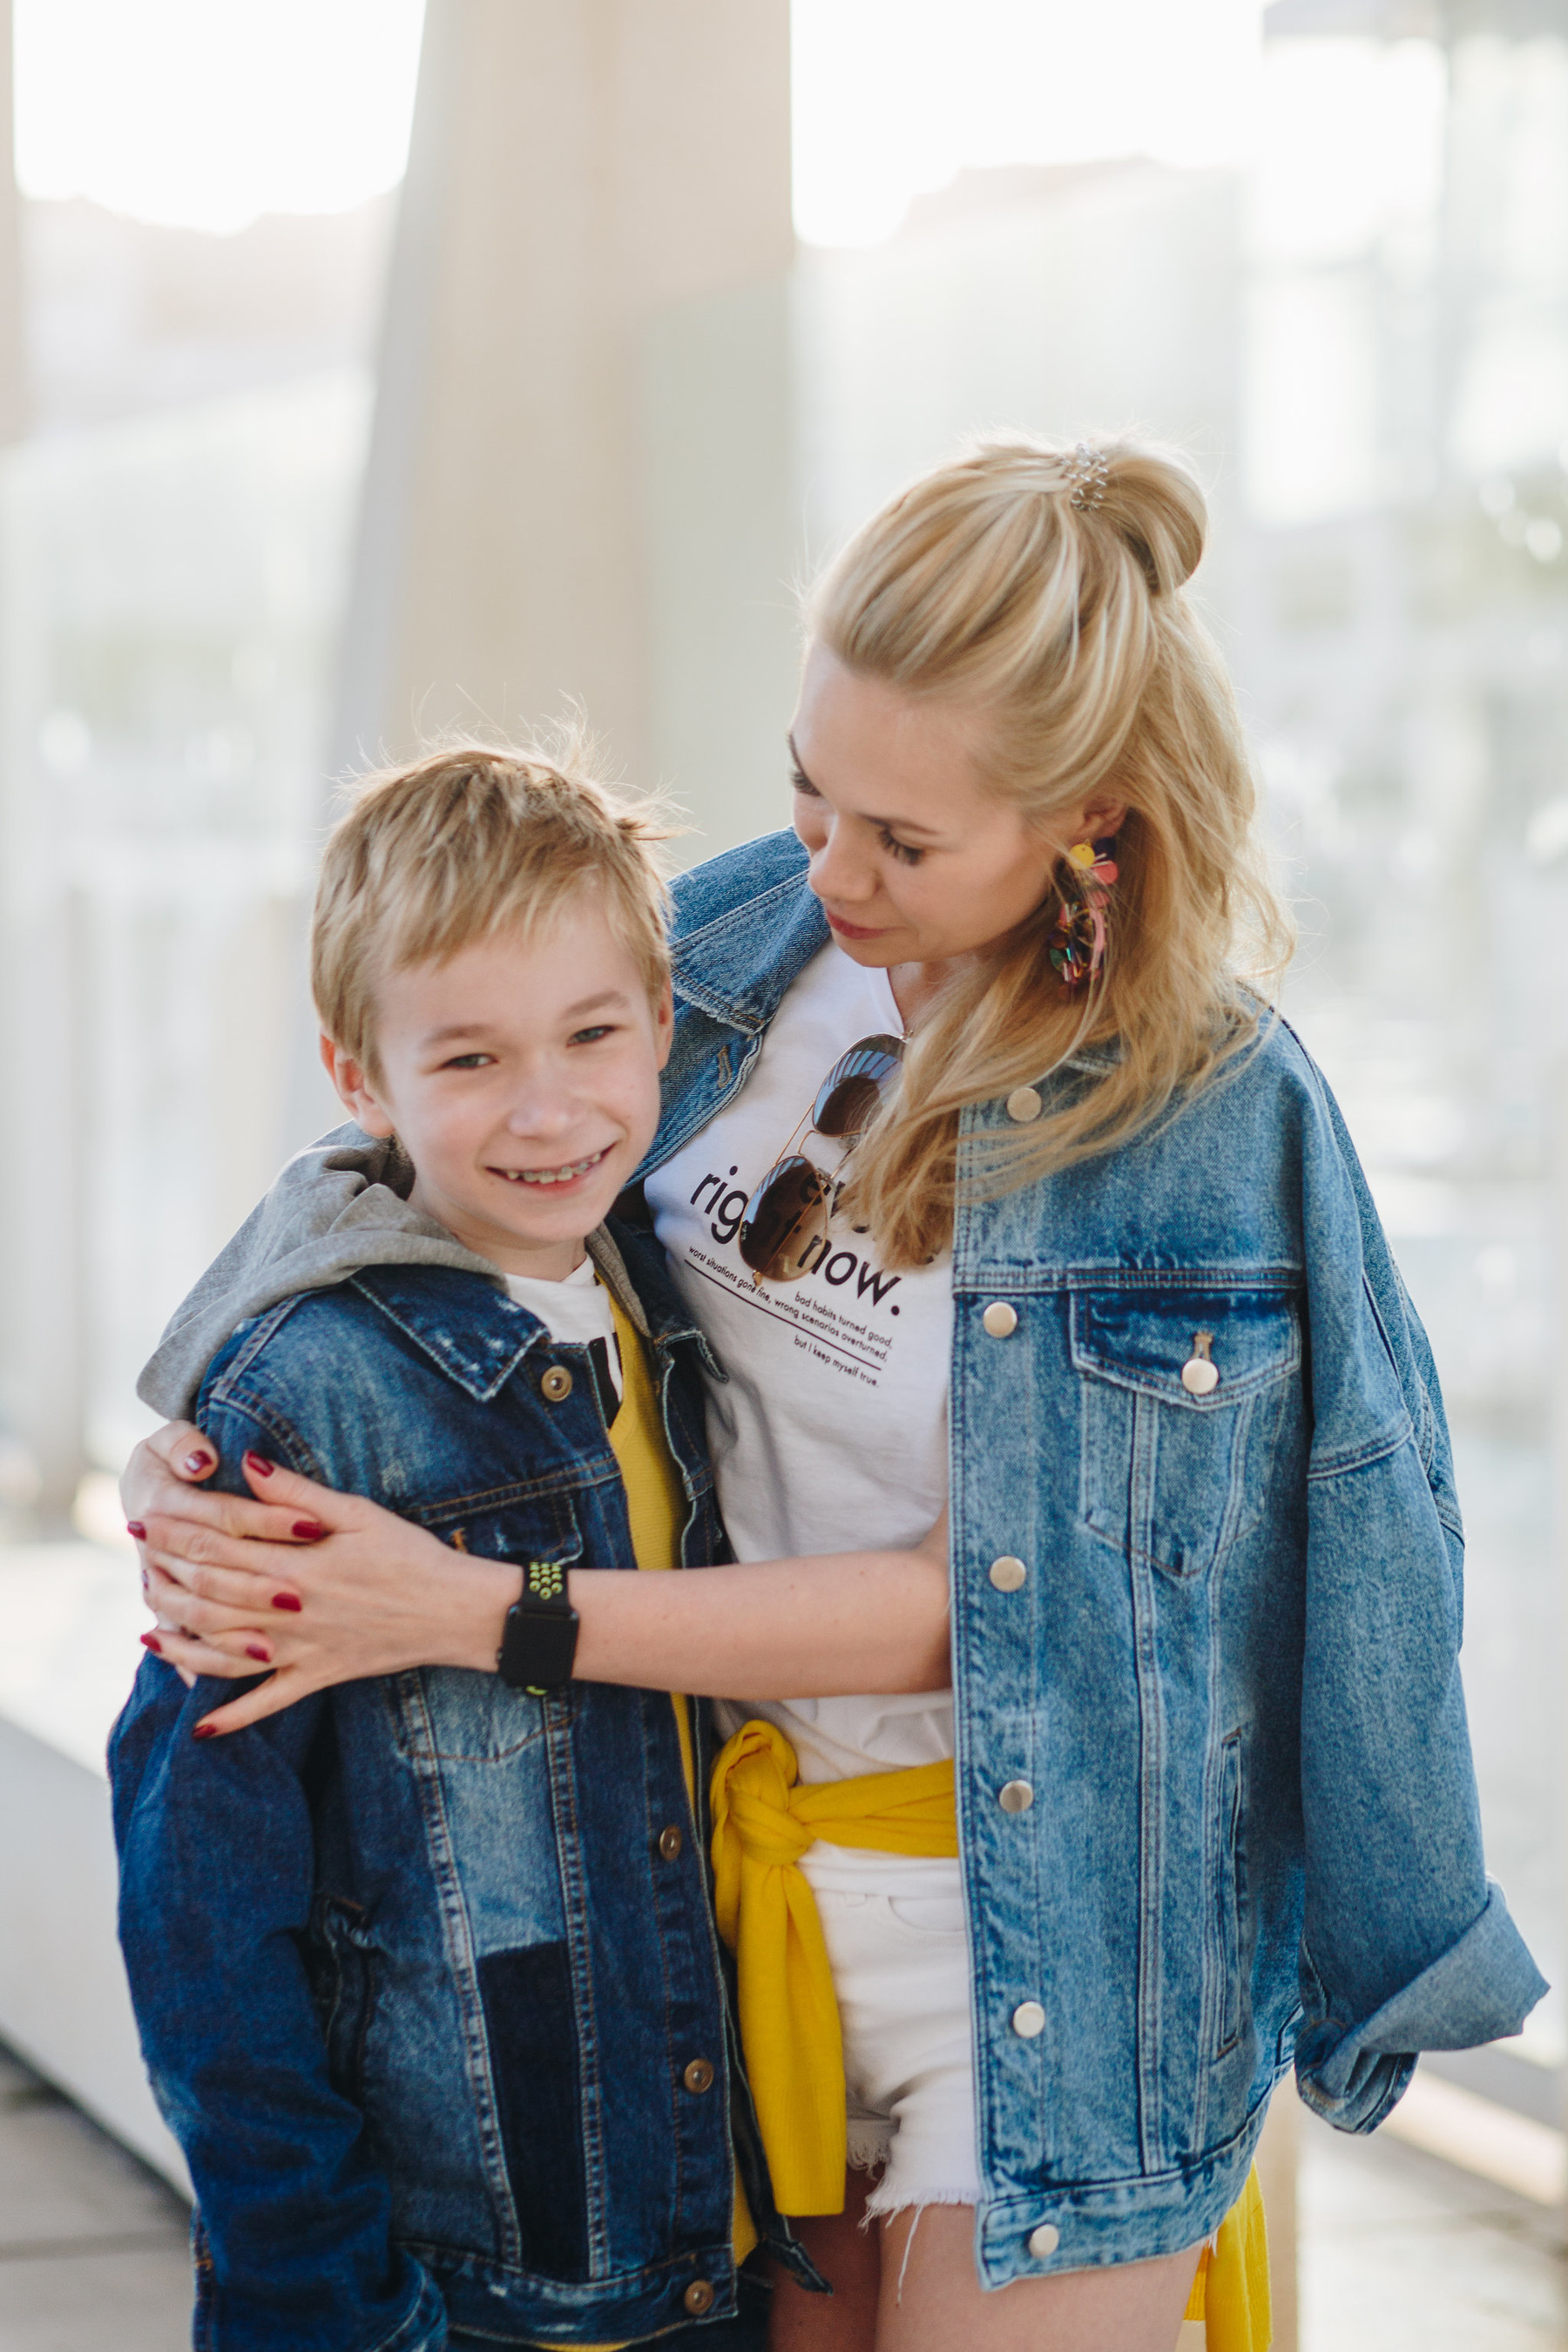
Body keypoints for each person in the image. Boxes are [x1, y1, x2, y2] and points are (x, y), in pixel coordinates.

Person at [125, 436, 1546, 2352]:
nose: (832, 874)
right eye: (812, 793)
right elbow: (448, 1147)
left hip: (1059, 1961)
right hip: (730, 1905)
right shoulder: (731, 945)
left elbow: (1003, 1607)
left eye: (904, 841)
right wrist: (217, 1416)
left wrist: (475, 1611)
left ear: (1090, 827)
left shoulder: (1216, 1122)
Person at [111, 742, 957, 2351]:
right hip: (456, 2267)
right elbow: (200, 1902)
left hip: (690, 2230)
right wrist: (308, 2284)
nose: (551, 1109)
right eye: (472, 1061)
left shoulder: (658, 1291)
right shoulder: (308, 1393)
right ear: (359, 1076)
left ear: (664, 1019)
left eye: (592, 1035)